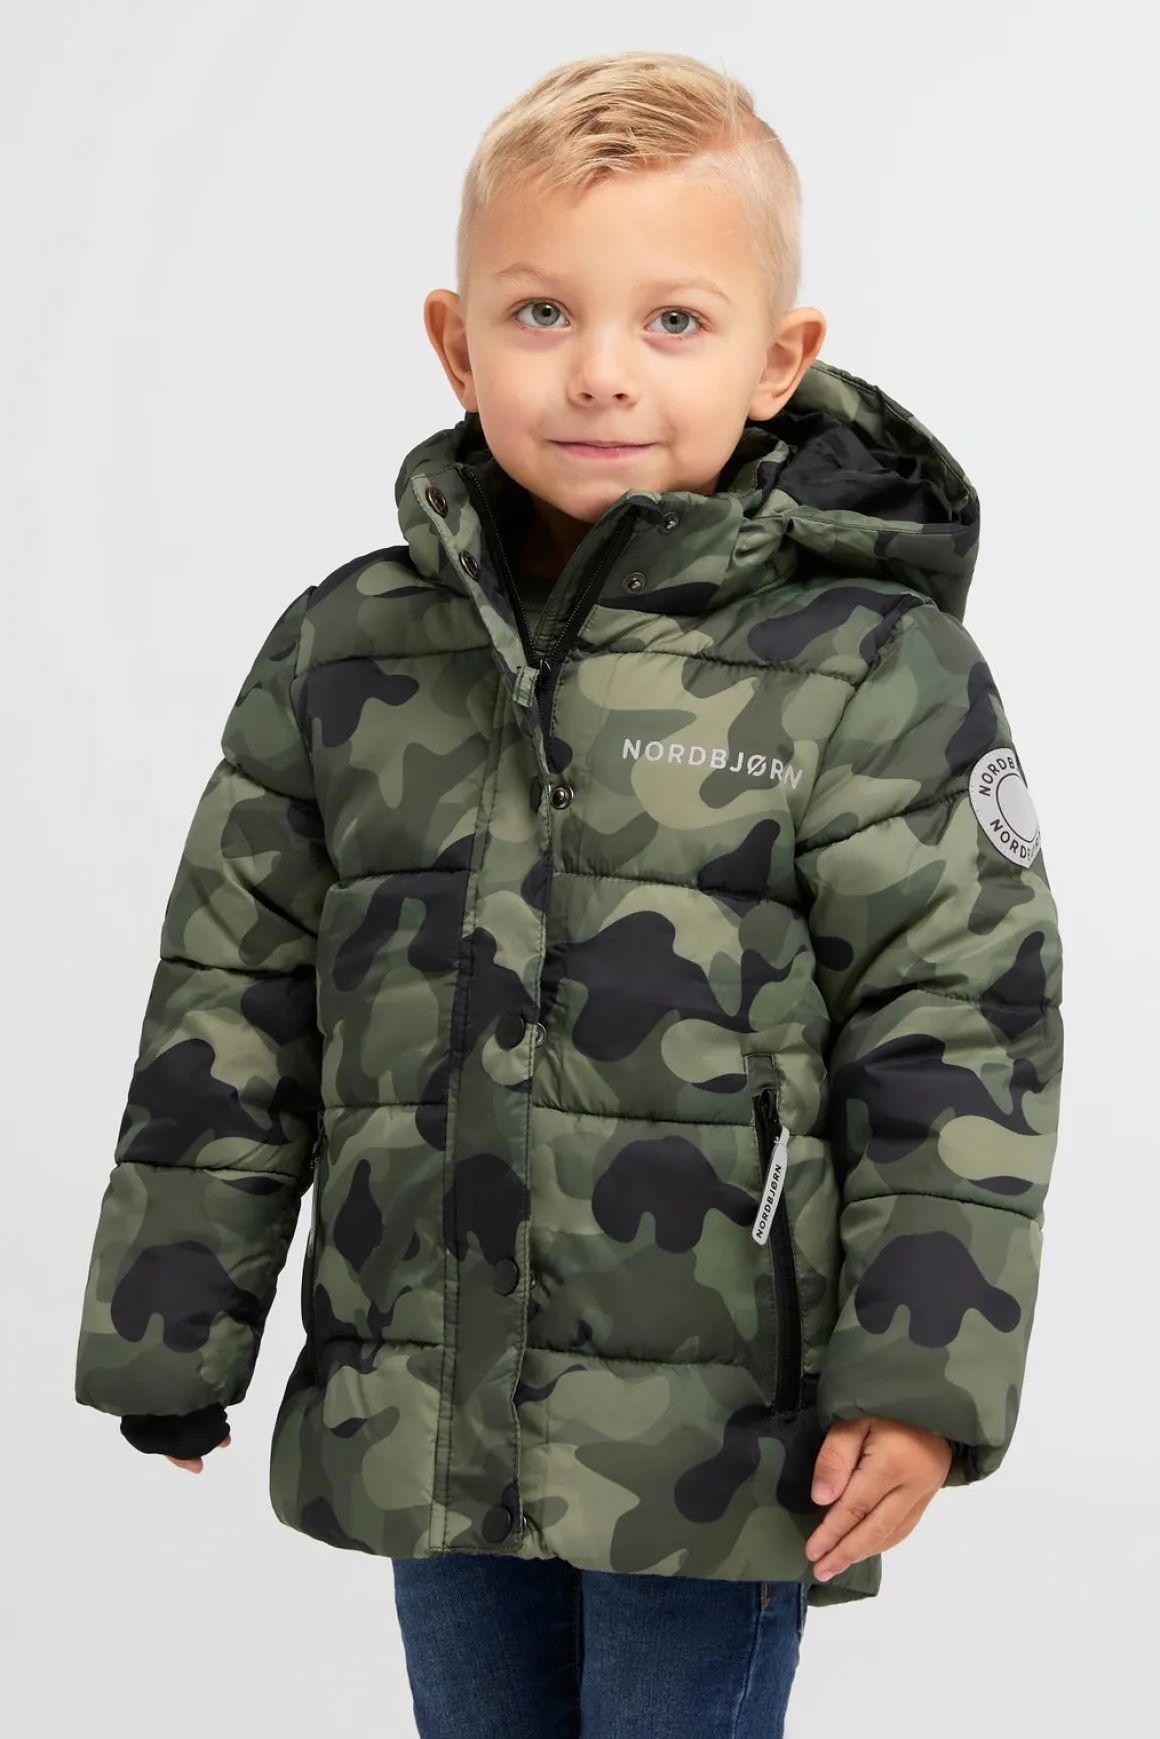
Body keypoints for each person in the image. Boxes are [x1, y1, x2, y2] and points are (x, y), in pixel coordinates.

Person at [74, 49, 1065, 1739]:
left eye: (674, 319)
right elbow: (232, 999)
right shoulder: (347, 654)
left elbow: (961, 1028)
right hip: (427, 1398)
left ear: (779, 358)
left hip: (722, 1430)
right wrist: (174, 1317)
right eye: (542, 313)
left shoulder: (869, 668)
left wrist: (919, 1378)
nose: (602, 369)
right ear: (457, 341)